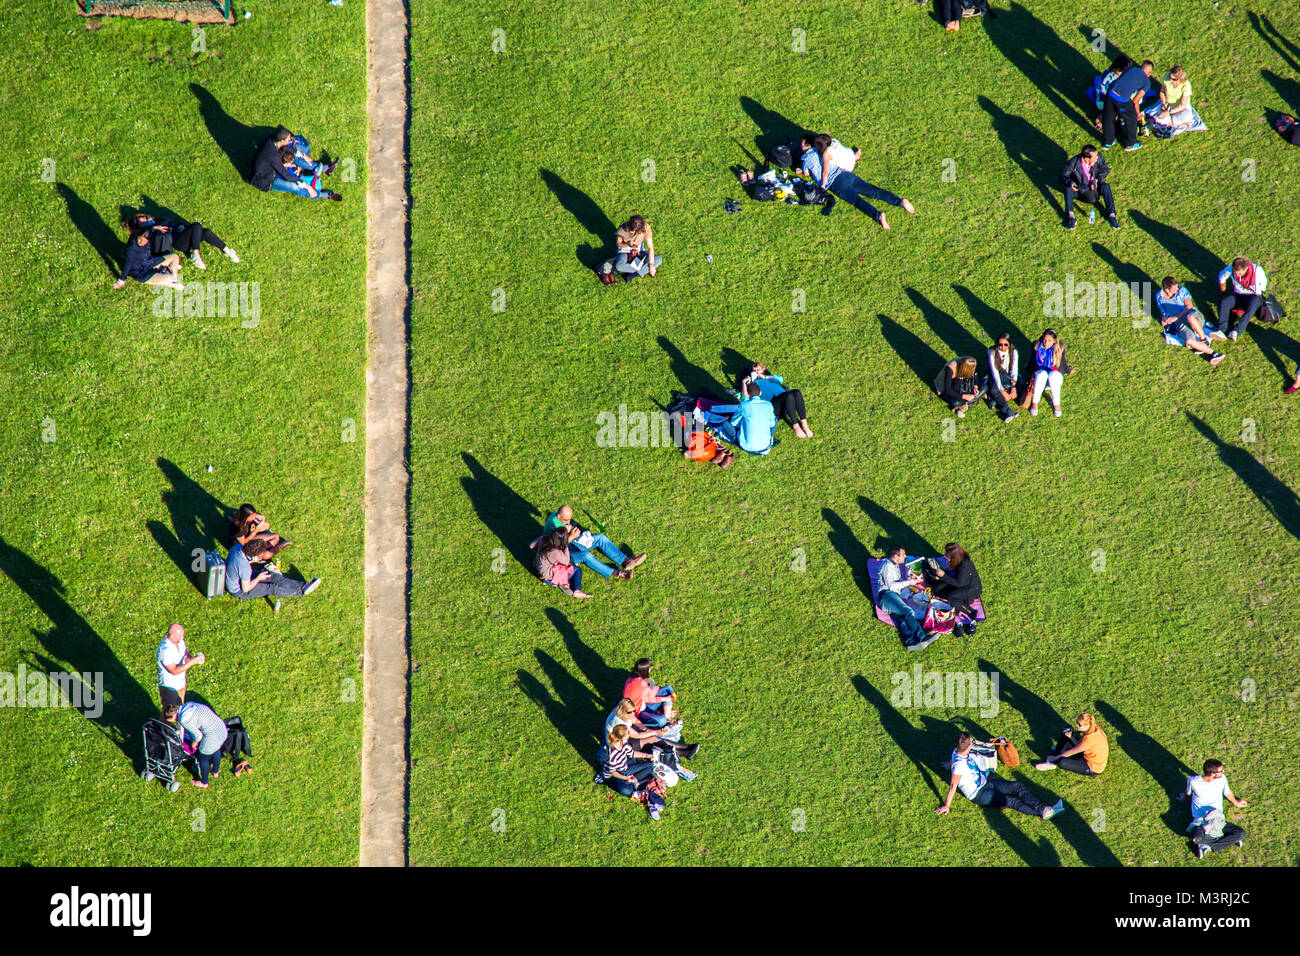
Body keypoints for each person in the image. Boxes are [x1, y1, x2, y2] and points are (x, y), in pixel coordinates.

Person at [937, 733, 1064, 819]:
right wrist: (947, 805)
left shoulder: (956, 751)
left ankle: (1044, 809)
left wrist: (948, 765)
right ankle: (1045, 812)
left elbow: (954, 760)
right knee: (1011, 801)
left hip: (986, 782)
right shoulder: (959, 766)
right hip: (978, 794)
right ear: (969, 745)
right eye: (972, 742)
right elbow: (953, 785)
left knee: (1017, 786)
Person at [800, 134, 915, 229]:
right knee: (873, 191)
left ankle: (878, 215)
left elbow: (818, 172)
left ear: (806, 147)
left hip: (836, 184)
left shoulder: (806, 159)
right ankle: (900, 201)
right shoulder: (826, 148)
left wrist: (823, 185)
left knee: (857, 201)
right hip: (845, 174)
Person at [536, 505, 645, 581]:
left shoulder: (560, 518)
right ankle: (616, 573)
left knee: (600, 538)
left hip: (571, 544)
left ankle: (626, 561)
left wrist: (577, 535)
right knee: (586, 556)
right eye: (566, 520)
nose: (568, 522)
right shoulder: (554, 529)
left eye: (570, 519)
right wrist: (571, 537)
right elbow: (557, 550)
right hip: (562, 553)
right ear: (559, 516)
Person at [119, 211, 239, 273]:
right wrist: (152, 228)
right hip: (178, 241)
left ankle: (226, 250)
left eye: (143, 218)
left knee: (206, 232)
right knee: (197, 225)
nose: (143, 220)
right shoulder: (146, 230)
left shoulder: (158, 220)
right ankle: (195, 254)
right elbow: (144, 237)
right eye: (140, 221)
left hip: (184, 233)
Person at [250, 126, 341, 201]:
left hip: (272, 166)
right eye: (288, 139)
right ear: (282, 140)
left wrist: (301, 155)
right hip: (265, 179)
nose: (289, 140)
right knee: (294, 186)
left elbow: (286, 147)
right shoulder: (273, 156)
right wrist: (307, 187)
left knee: (293, 155)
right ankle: (321, 195)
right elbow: (285, 174)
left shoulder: (273, 140)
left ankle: (325, 169)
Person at [1180, 759, 1247, 858]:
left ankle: (1207, 846)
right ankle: (1227, 839)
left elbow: (1227, 792)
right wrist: (1183, 799)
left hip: (1217, 820)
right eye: (1220, 771)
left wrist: (1236, 802)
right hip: (1201, 821)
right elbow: (1187, 793)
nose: (1223, 772)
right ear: (1212, 773)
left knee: (1241, 833)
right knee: (1196, 838)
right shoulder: (1193, 781)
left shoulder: (1222, 779)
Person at [1156, 277, 1225, 364]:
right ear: (1167, 290)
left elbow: (1189, 306)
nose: (1177, 289)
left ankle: (1204, 340)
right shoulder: (1159, 296)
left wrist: (1176, 317)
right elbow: (1163, 311)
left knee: (1190, 317)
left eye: (1177, 287)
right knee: (1189, 341)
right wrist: (1164, 319)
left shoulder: (1181, 291)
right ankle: (1215, 354)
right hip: (1180, 323)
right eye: (1174, 288)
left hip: (1192, 315)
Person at [877, 545, 935, 650]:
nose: (905, 556)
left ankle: (910, 643)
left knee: (902, 619)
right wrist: (909, 582)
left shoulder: (895, 565)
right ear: (896, 556)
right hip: (887, 595)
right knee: (907, 611)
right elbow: (891, 586)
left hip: (892, 596)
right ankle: (923, 636)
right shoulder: (887, 566)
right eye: (903, 554)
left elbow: (897, 582)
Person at [604, 697, 699, 760]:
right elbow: (637, 735)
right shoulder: (619, 722)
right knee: (653, 739)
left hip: (626, 737)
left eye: (634, 711)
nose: (633, 714)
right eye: (630, 712)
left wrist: (646, 729)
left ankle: (686, 748)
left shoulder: (624, 713)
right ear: (623, 711)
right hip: (620, 744)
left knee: (654, 738)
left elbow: (636, 721)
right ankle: (684, 752)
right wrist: (655, 732)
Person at [225, 537, 321, 600]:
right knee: (271, 587)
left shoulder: (237, 547)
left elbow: (239, 563)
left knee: (271, 576)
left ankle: (303, 585)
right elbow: (246, 589)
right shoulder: (245, 568)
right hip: (238, 590)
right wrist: (258, 578)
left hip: (236, 575)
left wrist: (252, 561)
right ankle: (300, 592)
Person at [598, 725, 661, 818]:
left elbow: (632, 754)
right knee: (626, 790)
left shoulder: (625, 744)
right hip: (615, 776)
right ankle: (643, 791)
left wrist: (647, 755)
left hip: (626, 768)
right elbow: (613, 772)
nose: (629, 734)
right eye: (628, 733)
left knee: (650, 766)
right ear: (623, 737)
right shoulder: (612, 755)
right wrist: (626, 778)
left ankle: (642, 788)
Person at [703, 381, 778, 454]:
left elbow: (734, 423)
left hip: (746, 446)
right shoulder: (768, 405)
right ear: (760, 393)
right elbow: (772, 423)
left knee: (725, 423)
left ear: (748, 395)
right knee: (775, 421)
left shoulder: (744, 405)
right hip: (765, 445)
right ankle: (769, 436)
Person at [933, 356, 1017, 422]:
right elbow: (947, 389)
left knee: (985, 387)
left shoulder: (969, 363)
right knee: (957, 402)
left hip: (963, 386)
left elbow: (975, 376)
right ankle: (963, 406)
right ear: (965, 369)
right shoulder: (950, 369)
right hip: (947, 389)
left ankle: (963, 407)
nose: (973, 371)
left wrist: (975, 386)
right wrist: (964, 396)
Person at [167, 700, 228, 789]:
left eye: (171, 720)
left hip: (211, 736)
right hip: (221, 729)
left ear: (173, 716)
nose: (173, 722)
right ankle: (215, 772)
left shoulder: (184, 719)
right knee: (216, 749)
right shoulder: (188, 705)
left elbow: (199, 735)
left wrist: (194, 742)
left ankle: (204, 782)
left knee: (203, 758)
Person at [921, 543, 982, 634]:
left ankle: (971, 612)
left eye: (948, 555)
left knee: (952, 598)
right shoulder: (960, 560)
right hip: (961, 583)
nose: (945, 556)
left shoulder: (964, 566)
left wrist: (943, 575)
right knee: (937, 589)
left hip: (970, 589)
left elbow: (959, 584)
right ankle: (959, 611)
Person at [741, 362, 812, 437]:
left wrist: (765, 377)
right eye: (754, 370)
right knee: (788, 395)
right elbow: (745, 396)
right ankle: (795, 425)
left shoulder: (768, 378)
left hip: (786, 399)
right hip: (774, 404)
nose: (756, 372)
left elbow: (780, 379)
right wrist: (745, 383)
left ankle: (804, 423)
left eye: (758, 370)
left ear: (763, 369)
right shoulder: (753, 384)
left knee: (797, 392)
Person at [1061, 145, 1118, 231]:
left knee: (1106, 187)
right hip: (1080, 190)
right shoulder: (1074, 162)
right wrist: (1071, 183)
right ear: (1087, 158)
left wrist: (1097, 180)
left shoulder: (1099, 158)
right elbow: (1064, 175)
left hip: (1095, 188)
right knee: (1068, 189)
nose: (1097, 157)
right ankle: (1071, 216)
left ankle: (1111, 215)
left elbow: (1106, 170)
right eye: (1094, 156)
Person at [1102, 59, 1155, 151]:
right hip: (1121, 99)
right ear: (1149, 73)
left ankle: (1108, 142)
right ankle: (1130, 144)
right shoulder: (1147, 82)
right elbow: (1135, 100)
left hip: (1110, 93)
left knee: (1108, 117)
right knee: (1131, 119)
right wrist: (1137, 114)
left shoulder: (1132, 69)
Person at [1033, 712, 1109, 775]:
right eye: (1077, 723)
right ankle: (1055, 755)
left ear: (1087, 725)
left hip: (1092, 766)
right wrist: (1070, 737)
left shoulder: (1090, 740)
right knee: (1066, 737)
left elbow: (1071, 752)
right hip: (1086, 753)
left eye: (1079, 725)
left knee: (1061, 762)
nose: (1077, 725)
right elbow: (1079, 745)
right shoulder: (1094, 729)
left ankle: (1052, 763)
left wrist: (1054, 758)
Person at [1217, 257, 1271, 341]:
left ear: (1246, 268)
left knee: (1252, 306)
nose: (1237, 275)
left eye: (1239, 273)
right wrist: (1223, 293)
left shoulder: (1258, 271)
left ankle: (1237, 331)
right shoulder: (1230, 269)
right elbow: (1221, 277)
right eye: (1235, 273)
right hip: (1238, 295)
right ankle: (1221, 330)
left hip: (1254, 295)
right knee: (1225, 302)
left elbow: (1262, 288)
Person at [113, 230, 183, 290]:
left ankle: (171, 277)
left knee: (175, 257)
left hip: (151, 263)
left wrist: (154, 228)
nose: (141, 243)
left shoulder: (147, 242)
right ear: (137, 235)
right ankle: (171, 280)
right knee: (168, 278)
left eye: (144, 241)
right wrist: (121, 280)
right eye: (140, 239)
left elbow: (149, 229)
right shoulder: (132, 247)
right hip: (142, 272)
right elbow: (128, 264)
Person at [1028, 328, 1074, 417]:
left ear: (1054, 341)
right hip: (1040, 377)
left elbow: (1063, 362)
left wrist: (1068, 370)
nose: (1046, 343)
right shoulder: (1036, 346)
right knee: (1042, 374)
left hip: (1054, 377)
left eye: (1049, 341)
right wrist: (1028, 369)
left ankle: (1056, 404)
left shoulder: (1059, 348)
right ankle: (1035, 402)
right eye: (1045, 340)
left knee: (1053, 375)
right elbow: (1032, 361)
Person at [533, 527, 590, 599]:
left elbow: (531, 545)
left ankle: (564, 583)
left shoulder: (544, 539)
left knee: (565, 566)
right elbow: (566, 561)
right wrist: (566, 544)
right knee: (576, 569)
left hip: (538, 568)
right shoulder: (555, 552)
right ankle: (576, 590)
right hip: (548, 575)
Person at [157, 623, 203, 708]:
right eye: (180, 635)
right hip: (170, 687)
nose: (183, 637)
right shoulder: (165, 650)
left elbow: (185, 656)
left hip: (181, 683)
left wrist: (195, 659)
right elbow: (174, 670)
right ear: (173, 635)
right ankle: (162, 721)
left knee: (179, 707)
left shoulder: (180, 642)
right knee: (168, 713)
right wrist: (193, 662)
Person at [623, 658, 676, 728]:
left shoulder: (630, 678)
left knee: (666, 689)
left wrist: (655, 687)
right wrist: (664, 699)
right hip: (638, 712)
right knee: (661, 720)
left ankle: (665, 714)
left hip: (640, 704)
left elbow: (651, 689)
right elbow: (649, 699)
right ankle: (667, 718)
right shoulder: (643, 684)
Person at [988, 333, 1031, 410]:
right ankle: (998, 398)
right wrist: (1002, 391)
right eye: (1000, 344)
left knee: (1021, 383)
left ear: (1009, 344)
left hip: (1009, 375)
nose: (1003, 347)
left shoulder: (1014, 352)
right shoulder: (992, 352)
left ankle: (995, 399)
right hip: (999, 374)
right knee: (994, 386)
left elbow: (1014, 370)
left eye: (1005, 345)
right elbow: (995, 373)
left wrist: (1013, 387)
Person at [1089, 55, 1133, 123]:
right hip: (1106, 103)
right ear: (1118, 69)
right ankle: (1106, 116)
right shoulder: (1114, 79)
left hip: (1101, 99)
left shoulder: (1107, 71)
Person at [614, 215, 660, 279]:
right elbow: (619, 244)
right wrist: (627, 244)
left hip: (639, 251)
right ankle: (642, 269)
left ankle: (635, 273)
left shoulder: (646, 228)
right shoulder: (622, 228)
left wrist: (651, 266)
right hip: (624, 251)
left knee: (658, 259)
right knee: (619, 266)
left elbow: (650, 248)